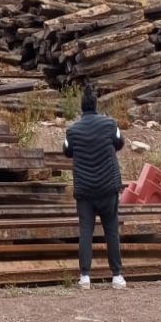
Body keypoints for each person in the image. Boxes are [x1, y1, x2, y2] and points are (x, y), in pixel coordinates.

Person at [62, 84, 126, 290]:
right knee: (112, 231)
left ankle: (85, 277)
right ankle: (117, 276)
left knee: (86, 233)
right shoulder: (110, 124)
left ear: (81, 107)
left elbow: (66, 151)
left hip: (85, 191)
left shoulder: (72, 131)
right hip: (108, 187)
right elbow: (120, 143)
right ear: (96, 105)